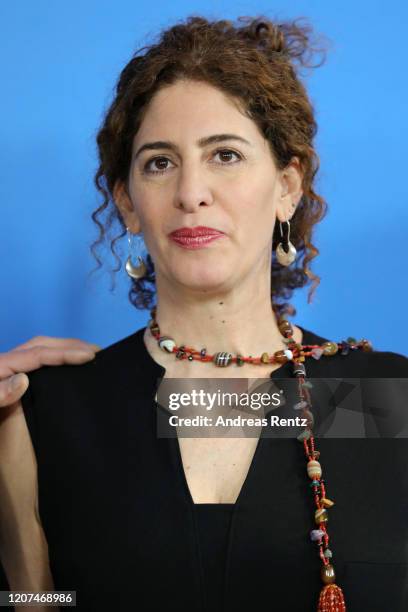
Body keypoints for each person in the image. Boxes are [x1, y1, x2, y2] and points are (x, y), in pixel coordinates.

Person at [1, 14, 407, 612]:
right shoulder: (47, 411)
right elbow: (39, 605)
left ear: (287, 187)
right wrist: (27, 589)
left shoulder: (384, 399)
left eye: (225, 154)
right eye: (159, 162)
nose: (191, 192)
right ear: (128, 203)